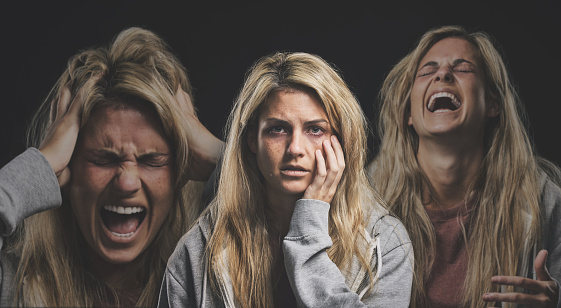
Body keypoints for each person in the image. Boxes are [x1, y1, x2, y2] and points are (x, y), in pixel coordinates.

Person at [158, 51, 414, 308]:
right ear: (251, 140)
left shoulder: (385, 243)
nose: (295, 148)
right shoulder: (199, 249)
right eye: (277, 129)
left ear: (342, 141)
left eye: (315, 129)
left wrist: (308, 232)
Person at [0, 27, 223, 307]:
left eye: (152, 160)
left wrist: (218, 158)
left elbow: (286, 226)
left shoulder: (211, 284)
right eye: (103, 159)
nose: (126, 183)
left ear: (181, 171)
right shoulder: (13, 286)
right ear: (67, 167)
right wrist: (42, 164)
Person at [368, 25, 561, 307]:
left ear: (493, 104)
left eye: (463, 68)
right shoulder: (364, 203)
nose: (443, 74)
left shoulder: (544, 202)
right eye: (427, 71)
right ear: (409, 112)